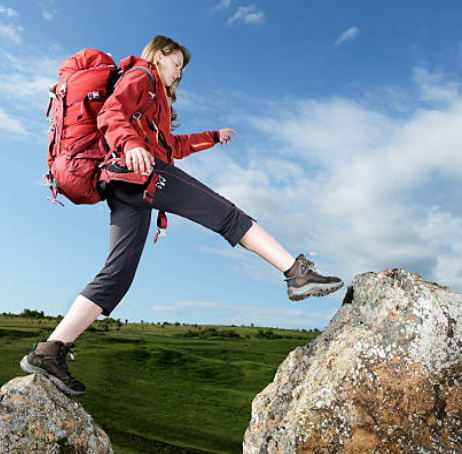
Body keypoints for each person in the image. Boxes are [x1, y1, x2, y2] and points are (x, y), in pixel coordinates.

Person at [20, 36, 343, 397]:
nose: (179, 74)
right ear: (160, 55)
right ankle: (296, 273)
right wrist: (131, 144)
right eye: (177, 64)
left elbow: (172, 146)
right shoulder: (142, 75)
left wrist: (213, 136)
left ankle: (48, 352)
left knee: (117, 275)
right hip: (139, 173)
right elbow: (111, 113)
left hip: (126, 185)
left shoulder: (153, 98)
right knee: (227, 215)